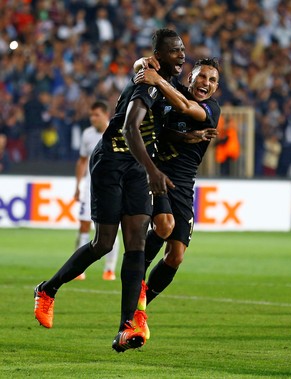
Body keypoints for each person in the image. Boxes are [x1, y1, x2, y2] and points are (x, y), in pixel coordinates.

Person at [33, 28, 186, 352]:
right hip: (112, 162)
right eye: (174, 51)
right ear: (158, 57)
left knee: (135, 247)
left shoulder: (166, 82)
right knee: (104, 243)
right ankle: (47, 290)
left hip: (136, 167)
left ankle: (125, 329)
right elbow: (131, 128)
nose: (181, 56)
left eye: (183, 50)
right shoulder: (147, 84)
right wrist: (153, 170)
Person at [132, 57, 221, 340]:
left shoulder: (210, 109)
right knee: (164, 226)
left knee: (176, 256)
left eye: (212, 80)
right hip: (157, 173)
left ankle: (140, 303)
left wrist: (157, 81)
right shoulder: (171, 89)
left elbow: (185, 109)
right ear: (190, 77)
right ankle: (134, 280)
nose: (206, 83)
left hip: (184, 185)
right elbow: (140, 68)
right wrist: (141, 66)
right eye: (202, 77)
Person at [73, 100, 119, 281]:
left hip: (110, 189)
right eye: (91, 115)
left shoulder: (115, 132)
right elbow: (82, 160)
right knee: (83, 226)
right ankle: (79, 269)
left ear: (106, 115)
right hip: (90, 188)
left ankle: (109, 269)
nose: (93, 118)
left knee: (112, 229)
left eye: (96, 115)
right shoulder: (87, 134)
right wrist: (78, 185)